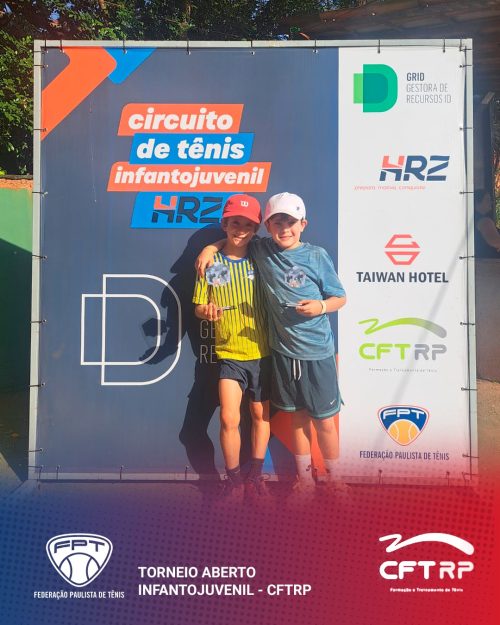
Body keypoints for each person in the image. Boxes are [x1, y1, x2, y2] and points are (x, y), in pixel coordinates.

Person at [197, 192, 347, 498]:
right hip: (281, 354)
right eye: (277, 223)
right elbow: (233, 242)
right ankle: (304, 481)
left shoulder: (315, 255)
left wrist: (320, 306)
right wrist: (209, 247)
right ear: (267, 227)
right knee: (296, 419)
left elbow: (339, 297)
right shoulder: (260, 250)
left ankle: (336, 481)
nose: (284, 229)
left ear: (303, 224)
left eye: (290, 222)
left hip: (315, 352)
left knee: (324, 422)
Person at [192, 194, 271, 503]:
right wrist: (207, 311)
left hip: (263, 353)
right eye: (235, 222)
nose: (241, 229)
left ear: (256, 229)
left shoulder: (262, 257)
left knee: (260, 416)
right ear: (224, 224)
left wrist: (210, 245)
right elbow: (199, 306)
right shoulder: (211, 263)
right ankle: (234, 480)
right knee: (229, 419)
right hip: (229, 353)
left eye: (248, 225)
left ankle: (256, 477)